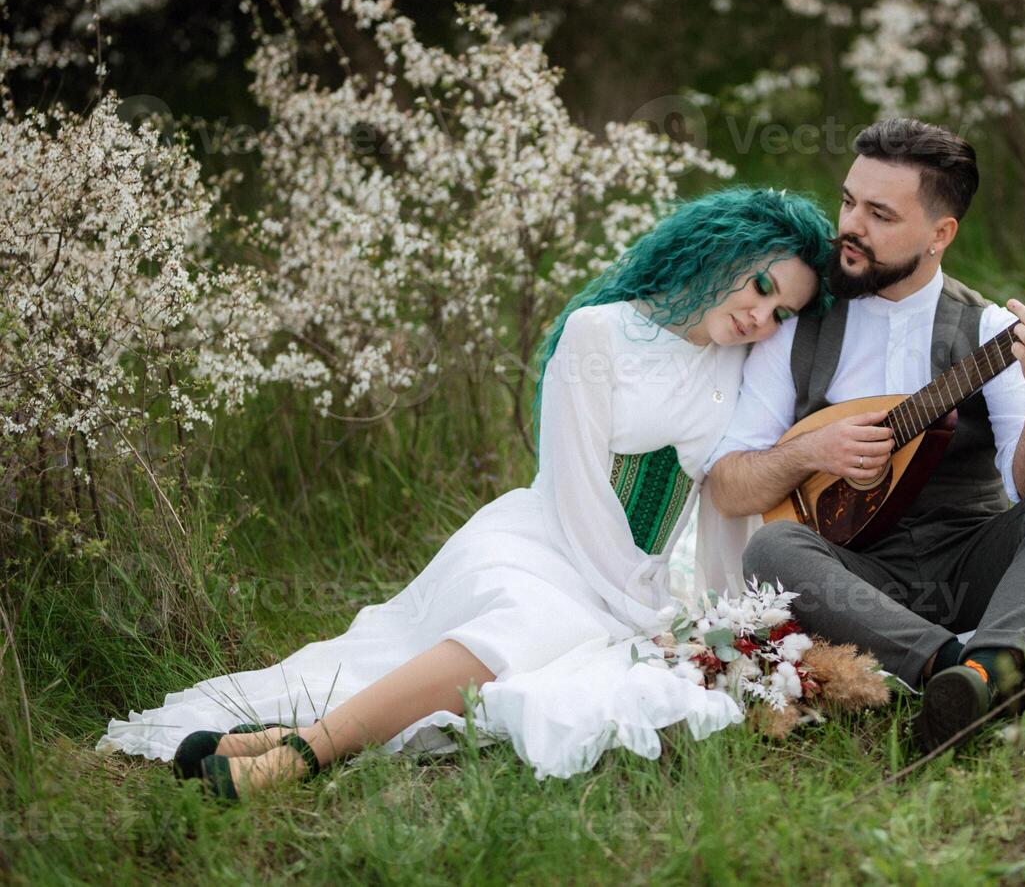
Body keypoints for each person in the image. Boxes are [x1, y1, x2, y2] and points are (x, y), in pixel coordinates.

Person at [96, 187, 834, 792]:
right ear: (722, 246)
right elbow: (576, 492)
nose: (759, 318)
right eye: (761, 286)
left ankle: (264, 743)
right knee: (526, 629)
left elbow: (718, 507)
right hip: (548, 546)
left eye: (781, 314)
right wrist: (635, 607)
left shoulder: (739, 366)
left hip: (638, 578)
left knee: (544, 663)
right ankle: (299, 761)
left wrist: (722, 615)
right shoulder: (599, 334)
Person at [703, 119, 1025, 754]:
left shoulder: (990, 331)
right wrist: (811, 450)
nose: (851, 227)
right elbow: (729, 486)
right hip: (857, 581)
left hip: (971, 562)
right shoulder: (798, 331)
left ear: (939, 234)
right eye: (847, 202)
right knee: (772, 549)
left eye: (879, 215)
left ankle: (980, 665)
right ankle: (974, 669)